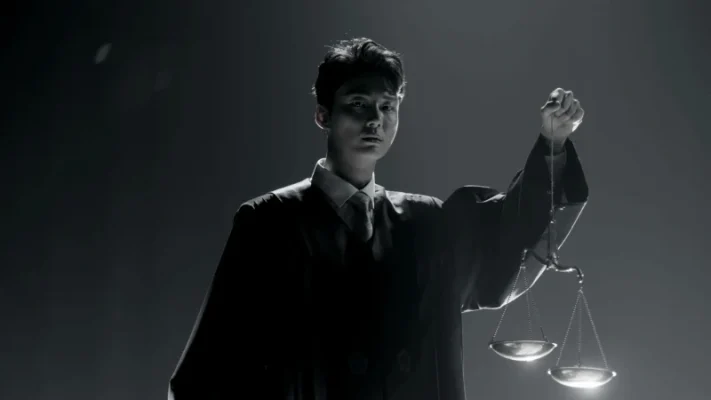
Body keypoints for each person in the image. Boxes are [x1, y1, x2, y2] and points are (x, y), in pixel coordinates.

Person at [168, 37, 589, 400]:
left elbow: (506, 245)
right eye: (358, 104)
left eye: (388, 106)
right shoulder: (269, 223)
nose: (375, 119)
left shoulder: (426, 224)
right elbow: (206, 373)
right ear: (323, 114)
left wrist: (552, 144)